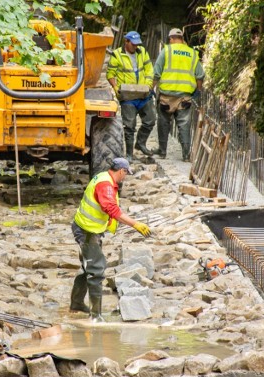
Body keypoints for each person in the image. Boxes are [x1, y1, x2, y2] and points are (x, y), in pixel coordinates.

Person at [71, 157, 152, 322]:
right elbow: (110, 208)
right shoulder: (106, 184)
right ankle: (96, 316)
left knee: (88, 267)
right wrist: (135, 224)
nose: (125, 177)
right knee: (96, 270)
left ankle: (77, 303)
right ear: (121, 171)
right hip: (87, 231)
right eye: (126, 174)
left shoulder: (103, 178)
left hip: (87, 228)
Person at [152, 28, 205, 161]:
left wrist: (150, 89)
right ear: (182, 39)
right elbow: (200, 75)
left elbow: (156, 73)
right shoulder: (192, 53)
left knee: (163, 123)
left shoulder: (167, 51)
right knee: (184, 125)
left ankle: (162, 151)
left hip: (166, 96)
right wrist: (198, 91)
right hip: (184, 97)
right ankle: (186, 155)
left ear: (171, 39)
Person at [106, 31, 157, 161]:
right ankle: (129, 154)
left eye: (137, 44)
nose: (135, 47)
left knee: (150, 120)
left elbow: (149, 70)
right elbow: (110, 74)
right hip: (128, 97)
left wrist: (148, 85)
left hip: (144, 94)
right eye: (133, 44)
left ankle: (140, 143)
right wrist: (116, 88)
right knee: (129, 126)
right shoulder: (117, 55)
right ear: (126, 42)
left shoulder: (142, 52)